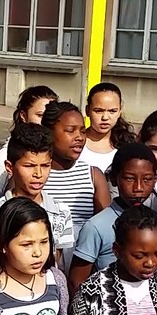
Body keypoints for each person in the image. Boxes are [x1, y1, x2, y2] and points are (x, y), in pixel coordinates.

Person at [0, 123, 76, 266]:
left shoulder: (61, 212)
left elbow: (55, 262)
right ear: (10, 167)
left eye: (45, 166)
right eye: (29, 166)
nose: (38, 174)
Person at [68, 143, 157, 291]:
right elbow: (77, 281)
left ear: (155, 179)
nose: (138, 188)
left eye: (147, 179)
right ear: (114, 178)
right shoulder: (97, 226)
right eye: (129, 179)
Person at [40, 102, 110, 255]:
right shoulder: (35, 175)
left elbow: (106, 227)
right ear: (49, 133)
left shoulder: (93, 176)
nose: (79, 137)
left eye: (83, 131)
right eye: (70, 131)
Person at [0, 86, 58, 187]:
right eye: (40, 115)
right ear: (23, 116)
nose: (47, 121)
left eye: (51, 116)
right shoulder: (4, 156)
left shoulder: (63, 155)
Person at [81, 83, 134, 173]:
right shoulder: (74, 143)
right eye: (98, 111)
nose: (105, 117)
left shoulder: (127, 147)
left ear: (119, 112)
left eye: (112, 111)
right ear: (87, 110)